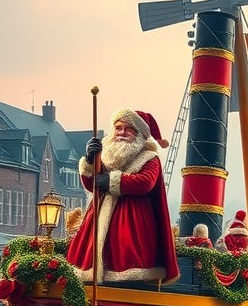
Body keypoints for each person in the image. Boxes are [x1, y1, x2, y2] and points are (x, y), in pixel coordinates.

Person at [66, 108, 179, 285]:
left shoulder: (150, 158)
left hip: (133, 220)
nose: (121, 133)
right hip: (99, 215)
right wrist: (89, 160)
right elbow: (91, 185)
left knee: (128, 258)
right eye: (118, 128)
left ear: (139, 134)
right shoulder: (105, 157)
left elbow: (145, 182)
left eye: (128, 129)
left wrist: (111, 180)